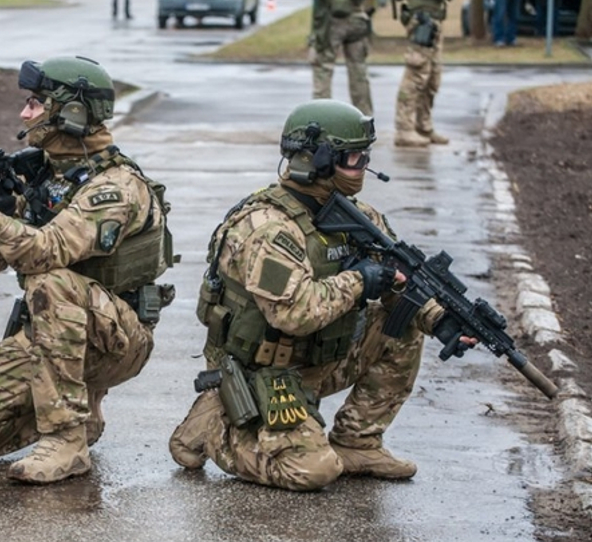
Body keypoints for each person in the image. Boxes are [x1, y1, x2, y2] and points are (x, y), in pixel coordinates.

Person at [169, 99, 473, 491]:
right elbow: (293, 314)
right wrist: (361, 281)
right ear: (319, 161)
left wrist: (439, 319)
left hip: (321, 357)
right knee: (313, 471)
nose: (363, 167)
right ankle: (215, 428)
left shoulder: (358, 219)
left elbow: (399, 281)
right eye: (353, 158)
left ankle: (358, 442)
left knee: (401, 327)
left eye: (366, 157)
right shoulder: (267, 228)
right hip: (263, 372)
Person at [0, 56, 175, 484]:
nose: (25, 113)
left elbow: (47, 252)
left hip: (119, 339)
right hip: (57, 336)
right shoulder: (46, 174)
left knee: (52, 281)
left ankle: (66, 439)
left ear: (73, 112)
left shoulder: (114, 186)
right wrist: (0, 209)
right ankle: (80, 413)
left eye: (35, 103)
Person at [394, 0, 450, 147]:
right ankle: (404, 129)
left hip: (433, 19)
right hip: (422, 19)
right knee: (416, 75)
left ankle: (423, 126)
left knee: (432, 78)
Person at [309, 0, 375, 117]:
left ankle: (321, 118)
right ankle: (364, 118)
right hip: (357, 17)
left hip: (330, 20)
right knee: (358, 71)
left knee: (323, 69)